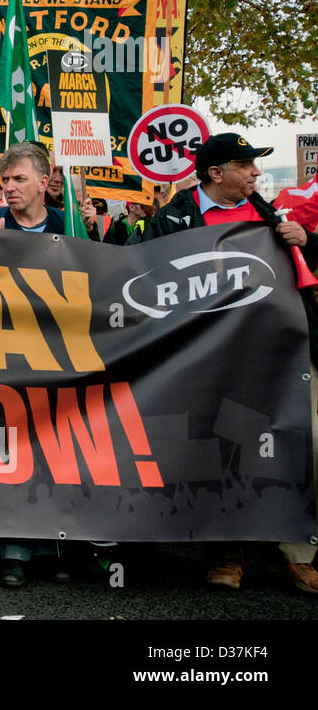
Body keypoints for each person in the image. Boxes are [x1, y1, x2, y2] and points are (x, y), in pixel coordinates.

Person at [139, 132, 318, 595]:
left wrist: (308, 240)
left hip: (280, 355)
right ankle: (227, 552)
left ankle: (297, 553)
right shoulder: (172, 220)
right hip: (213, 357)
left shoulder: (269, 212)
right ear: (216, 174)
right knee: (223, 447)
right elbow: (147, 282)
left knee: (297, 442)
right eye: (246, 165)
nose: (256, 173)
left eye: (256, 166)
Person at [0, 143, 87, 586]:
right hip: (4, 359)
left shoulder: (70, 225)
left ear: (45, 183)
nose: (9, 188)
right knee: (12, 453)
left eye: (19, 180)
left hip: (60, 358)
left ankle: (53, 547)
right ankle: (14, 550)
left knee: (56, 451)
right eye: (5, 181)